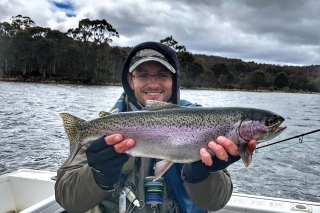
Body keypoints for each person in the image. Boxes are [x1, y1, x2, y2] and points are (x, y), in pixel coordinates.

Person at [55, 41, 257, 213]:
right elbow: (66, 198)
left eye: (162, 75)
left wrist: (201, 175)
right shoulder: (108, 127)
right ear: (130, 80)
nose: (153, 84)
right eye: (143, 75)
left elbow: (216, 202)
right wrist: (98, 175)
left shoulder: (204, 122)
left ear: (173, 80)